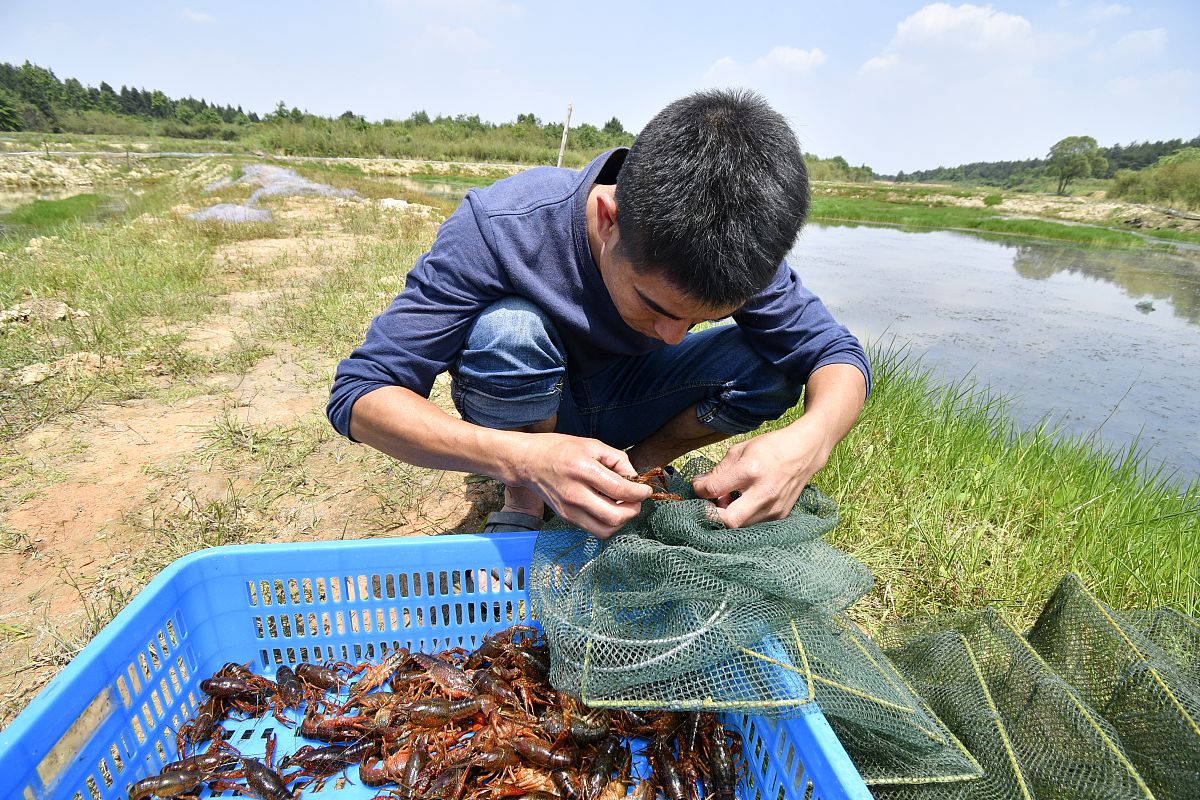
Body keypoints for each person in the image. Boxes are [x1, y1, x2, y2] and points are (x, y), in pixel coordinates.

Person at [327, 89, 870, 538]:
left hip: (632, 400)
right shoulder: (501, 226)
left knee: (771, 363)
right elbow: (362, 395)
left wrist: (810, 441)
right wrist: (524, 458)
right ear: (609, 217)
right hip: (525, 403)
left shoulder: (736, 252)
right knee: (510, 332)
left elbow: (835, 353)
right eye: (656, 307)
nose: (674, 337)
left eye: (699, 321)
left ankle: (636, 469)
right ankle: (525, 497)